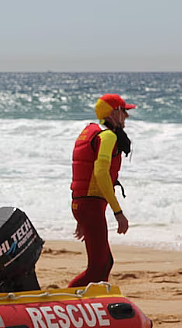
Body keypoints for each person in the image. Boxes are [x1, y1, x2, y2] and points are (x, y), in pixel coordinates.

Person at [69, 94, 135, 287]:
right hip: (90, 206)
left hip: (84, 204)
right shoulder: (107, 136)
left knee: (105, 263)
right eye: (125, 112)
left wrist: (80, 215)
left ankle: (93, 303)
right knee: (98, 267)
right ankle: (65, 304)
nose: (127, 118)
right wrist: (118, 212)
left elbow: (82, 173)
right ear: (114, 113)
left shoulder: (90, 132)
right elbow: (100, 173)